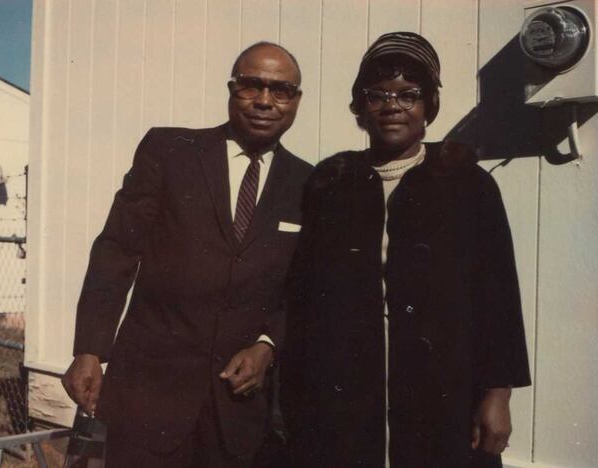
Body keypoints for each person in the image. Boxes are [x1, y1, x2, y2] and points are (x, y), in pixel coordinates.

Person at [281, 32, 531, 467]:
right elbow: (305, 298)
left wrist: (498, 395)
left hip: (444, 390)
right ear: (359, 106)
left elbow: (498, 297)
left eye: (408, 94)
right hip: (349, 395)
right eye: (376, 95)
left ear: (429, 105)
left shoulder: (468, 184)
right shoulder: (331, 184)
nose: (392, 105)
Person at [61, 41, 312, 467]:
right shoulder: (169, 151)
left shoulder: (309, 183)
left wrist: (268, 346)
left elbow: (304, 289)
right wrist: (88, 349)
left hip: (237, 412)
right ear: (232, 90)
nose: (265, 101)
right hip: (150, 398)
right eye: (251, 86)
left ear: (296, 100)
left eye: (280, 90)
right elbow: (117, 249)